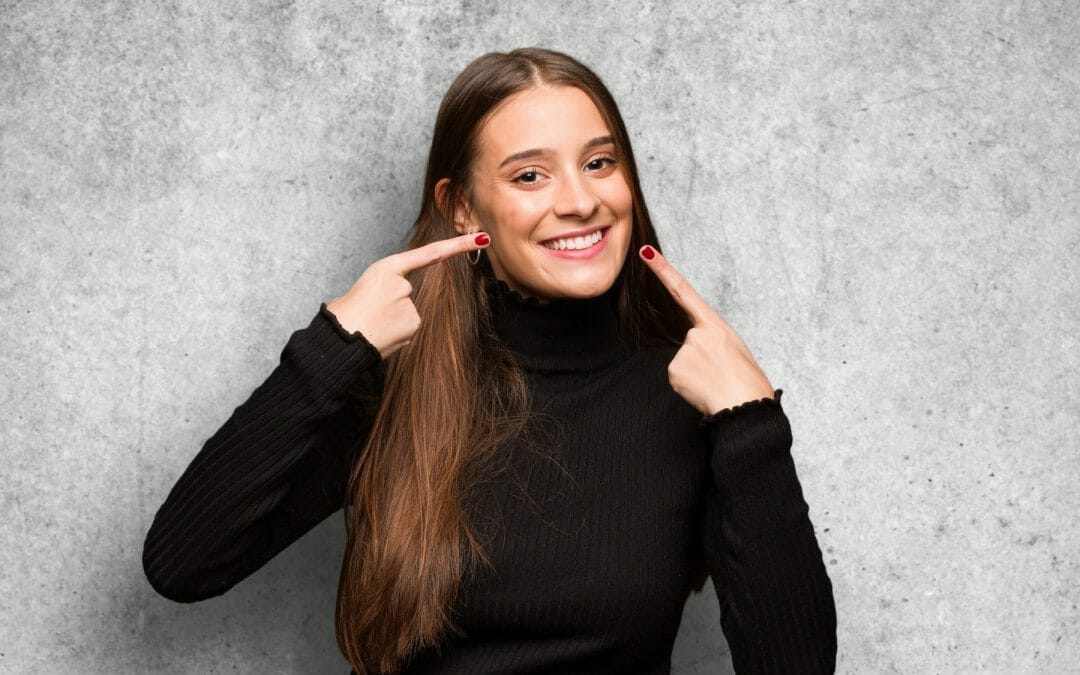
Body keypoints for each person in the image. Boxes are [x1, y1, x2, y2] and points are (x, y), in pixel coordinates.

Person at [143, 47, 837, 674]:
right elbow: (182, 564)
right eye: (530, 175)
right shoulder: (395, 385)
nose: (580, 200)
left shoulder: (694, 394)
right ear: (463, 207)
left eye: (600, 162)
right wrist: (330, 347)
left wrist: (750, 426)